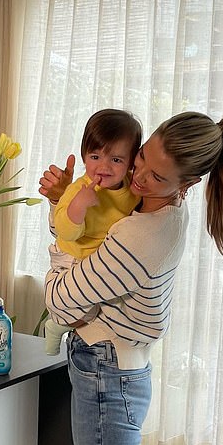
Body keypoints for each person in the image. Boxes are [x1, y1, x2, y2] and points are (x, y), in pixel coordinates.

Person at [39, 111, 223, 445]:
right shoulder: (160, 208)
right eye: (138, 161)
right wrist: (68, 200)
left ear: (188, 183)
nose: (136, 177)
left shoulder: (142, 234)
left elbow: (60, 302)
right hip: (117, 369)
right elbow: (99, 240)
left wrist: (60, 244)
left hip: (106, 374)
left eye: (156, 176)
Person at [43, 108, 142, 355]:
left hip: (97, 261)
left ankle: (59, 324)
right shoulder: (79, 189)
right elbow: (65, 231)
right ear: (84, 156)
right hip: (71, 258)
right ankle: (56, 326)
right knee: (85, 312)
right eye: (95, 156)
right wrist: (79, 205)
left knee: (101, 304)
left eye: (116, 160)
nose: (104, 167)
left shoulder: (132, 189)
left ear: (131, 163)